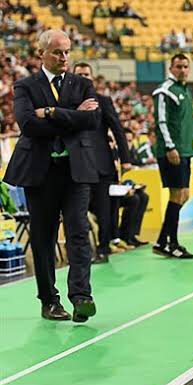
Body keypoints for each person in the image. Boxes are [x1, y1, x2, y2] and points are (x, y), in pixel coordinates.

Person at [3, 29, 102, 322]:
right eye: (58, 52)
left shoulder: (83, 84)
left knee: (78, 233)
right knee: (43, 237)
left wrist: (51, 112)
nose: (64, 57)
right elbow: (28, 125)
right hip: (40, 172)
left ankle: (81, 297)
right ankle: (49, 301)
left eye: (67, 51)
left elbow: (93, 119)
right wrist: (72, 115)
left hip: (76, 172)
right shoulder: (25, 86)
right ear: (41, 54)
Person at [151, 54, 193, 259]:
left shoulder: (185, 91)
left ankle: (162, 241)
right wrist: (170, 147)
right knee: (178, 195)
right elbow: (161, 122)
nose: (183, 70)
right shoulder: (164, 91)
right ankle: (172, 243)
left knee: (182, 195)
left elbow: (190, 122)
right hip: (172, 152)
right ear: (171, 67)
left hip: (185, 150)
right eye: (179, 66)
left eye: (186, 66)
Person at [73, 62, 131, 264]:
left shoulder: (104, 101)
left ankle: (104, 249)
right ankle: (82, 252)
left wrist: (125, 160)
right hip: (77, 165)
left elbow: (118, 131)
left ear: (92, 77)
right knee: (78, 212)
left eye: (86, 74)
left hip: (101, 165)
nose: (83, 77)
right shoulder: (66, 102)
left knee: (104, 210)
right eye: (79, 74)